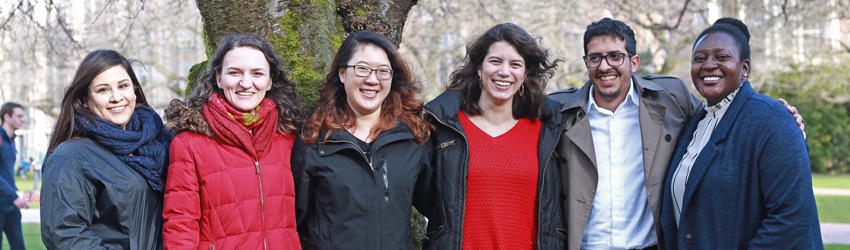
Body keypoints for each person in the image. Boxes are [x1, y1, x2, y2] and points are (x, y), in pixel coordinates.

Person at [549, 18, 806, 250]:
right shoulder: (559, 111)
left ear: (634, 62)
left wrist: (781, 115)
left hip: (651, 245)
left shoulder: (671, 97)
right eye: (595, 58)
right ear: (587, 63)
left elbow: (726, 114)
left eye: (615, 56)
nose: (605, 66)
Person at [659, 17, 822, 249]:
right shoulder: (694, 125)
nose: (708, 65)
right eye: (699, 58)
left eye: (721, 57)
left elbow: (792, 220)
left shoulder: (772, 119)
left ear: (744, 67)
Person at [422, 23, 566, 249]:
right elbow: (425, 196)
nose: (504, 72)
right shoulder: (446, 127)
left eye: (515, 64)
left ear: (525, 73)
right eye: (495, 61)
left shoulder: (548, 131)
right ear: (479, 68)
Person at [292, 30, 434, 249]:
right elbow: (297, 220)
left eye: (382, 71)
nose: (372, 79)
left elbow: (435, 206)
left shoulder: (412, 140)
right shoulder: (314, 142)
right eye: (362, 68)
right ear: (342, 73)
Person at [162, 33, 304, 249]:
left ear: (270, 81)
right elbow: (180, 225)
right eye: (234, 73)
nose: (245, 83)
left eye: (257, 73)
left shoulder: (289, 135)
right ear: (219, 78)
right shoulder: (189, 143)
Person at [40, 50, 171, 249]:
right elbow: (66, 234)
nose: (116, 97)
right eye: (103, 90)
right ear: (84, 99)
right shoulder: (70, 157)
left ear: (134, 91)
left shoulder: (159, 143)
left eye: (123, 86)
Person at [0, 102, 27, 250]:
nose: (22, 119)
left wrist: (14, 195)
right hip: (5, 201)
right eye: (19, 116)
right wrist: (14, 196)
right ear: (7, 117)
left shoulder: (12, 141)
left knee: (19, 247)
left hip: (11, 205)